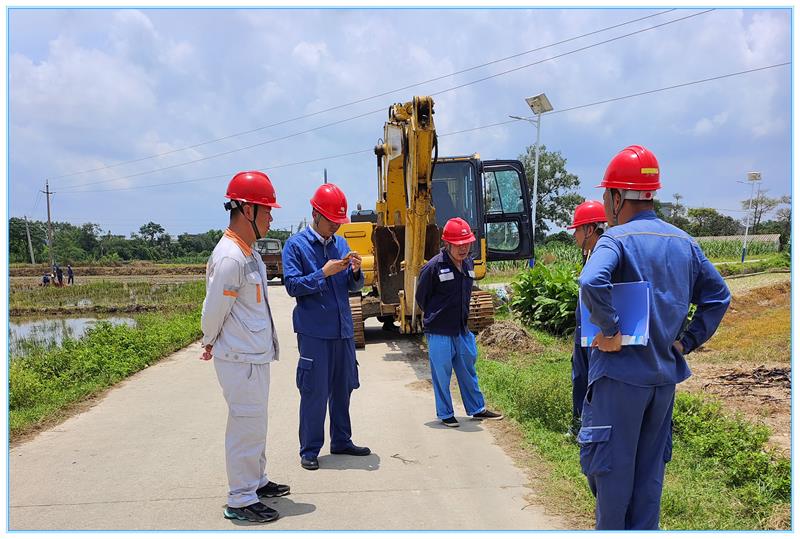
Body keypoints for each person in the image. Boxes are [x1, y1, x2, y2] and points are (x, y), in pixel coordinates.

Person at [578, 145, 730, 529]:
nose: (605, 204)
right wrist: (687, 341)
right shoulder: (685, 243)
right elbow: (719, 296)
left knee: (611, 480)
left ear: (617, 197)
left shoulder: (615, 240)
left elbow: (591, 281)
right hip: (662, 383)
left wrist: (610, 330)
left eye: (606, 195)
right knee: (648, 482)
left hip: (619, 379)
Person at [200, 170, 289, 524]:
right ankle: (240, 498)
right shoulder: (230, 257)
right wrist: (208, 340)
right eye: (267, 211)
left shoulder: (248, 253)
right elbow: (214, 309)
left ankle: (256, 481)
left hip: (253, 354)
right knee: (245, 425)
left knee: (256, 423)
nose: (271, 218)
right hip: (239, 357)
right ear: (247, 209)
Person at [282, 182, 369, 471]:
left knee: (343, 388)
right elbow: (292, 286)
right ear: (315, 214)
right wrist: (322, 273)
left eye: (339, 221)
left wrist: (356, 272)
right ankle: (309, 449)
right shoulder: (296, 246)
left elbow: (353, 287)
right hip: (315, 333)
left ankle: (342, 440)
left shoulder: (340, 244)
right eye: (332, 220)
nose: (336, 226)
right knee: (315, 391)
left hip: (342, 330)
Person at [415, 217, 504, 427]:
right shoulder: (434, 267)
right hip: (439, 330)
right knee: (442, 373)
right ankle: (446, 413)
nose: (463, 248)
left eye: (467, 244)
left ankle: (477, 408)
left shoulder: (469, 263)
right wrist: (437, 314)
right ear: (447, 243)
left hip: (462, 329)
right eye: (458, 244)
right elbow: (421, 298)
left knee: (468, 370)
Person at [566, 200, 606, 436]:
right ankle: (579, 423)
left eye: (577, 230)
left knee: (596, 378)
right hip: (584, 328)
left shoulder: (607, 255)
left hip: (597, 330)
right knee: (580, 375)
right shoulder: (590, 254)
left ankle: (593, 427)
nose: (575, 235)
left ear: (590, 230)